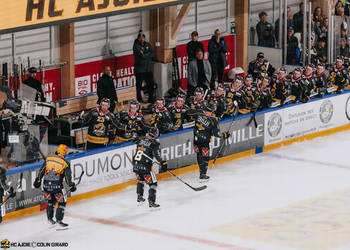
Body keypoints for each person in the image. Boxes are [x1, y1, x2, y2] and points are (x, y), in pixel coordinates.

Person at [33, 144, 76, 228]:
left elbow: (41, 171)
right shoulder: (65, 163)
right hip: (57, 188)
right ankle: (59, 221)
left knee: (50, 202)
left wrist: (37, 181)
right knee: (61, 202)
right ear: (65, 153)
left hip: (46, 187)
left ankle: (50, 220)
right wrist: (72, 186)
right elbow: (67, 179)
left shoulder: (48, 159)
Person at [191, 102, 229, 180]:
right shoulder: (211, 119)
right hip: (201, 141)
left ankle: (202, 173)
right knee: (204, 157)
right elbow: (217, 134)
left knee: (201, 156)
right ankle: (202, 173)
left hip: (198, 141)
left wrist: (223, 135)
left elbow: (216, 133)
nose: (209, 112)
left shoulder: (201, 114)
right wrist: (223, 135)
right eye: (209, 111)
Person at [132, 127, 168, 207]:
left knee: (141, 180)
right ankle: (151, 202)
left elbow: (134, 139)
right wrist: (163, 162)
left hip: (135, 165)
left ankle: (139, 196)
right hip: (145, 167)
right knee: (153, 184)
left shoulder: (141, 139)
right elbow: (157, 155)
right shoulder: (155, 143)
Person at [133, 32, 155, 104]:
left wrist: (145, 54)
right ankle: (139, 100)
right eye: (140, 38)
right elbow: (141, 56)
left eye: (143, 37)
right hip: (139, 70)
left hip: (148, 69)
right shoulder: (136, 45)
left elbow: (153, 54)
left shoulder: (147, 44)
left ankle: (150, 99)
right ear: (138, 38)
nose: (142, 39)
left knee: (150, 84)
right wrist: (148, 54)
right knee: (139, 85)